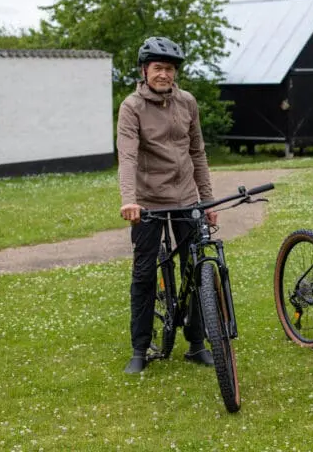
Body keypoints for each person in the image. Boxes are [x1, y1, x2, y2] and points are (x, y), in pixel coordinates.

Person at [117, 36, 218, 373]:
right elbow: (128, 157)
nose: (164, 74)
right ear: (144, 71)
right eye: (158, 68)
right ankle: (140, 348)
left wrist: (207, 200)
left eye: (170, 69)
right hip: (148, 202)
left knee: (196, 269)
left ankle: (196, 343)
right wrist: (129, 200)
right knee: (144, 273)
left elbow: (197, 153)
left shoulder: (187, 102)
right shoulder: (132, 107)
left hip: (187, 198)